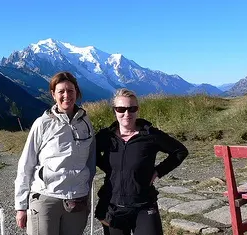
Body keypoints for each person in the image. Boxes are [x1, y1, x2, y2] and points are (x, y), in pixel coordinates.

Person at [95, 88, 188, 235]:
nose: (127, 114)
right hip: (114, 206)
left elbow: (180, 151)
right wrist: (110, 169)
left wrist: (158, 171)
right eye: (121, 109)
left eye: (132, 109)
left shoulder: (150, 135)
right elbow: (90, 153)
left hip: (144, 205)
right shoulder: (106, 137)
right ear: (114, 111)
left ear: (137, 110)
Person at [14, 71, 96, 235]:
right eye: (61, 91)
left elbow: (91, 162)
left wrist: (85, 191)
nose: (67, 95)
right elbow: (26, 164)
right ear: (53, 95)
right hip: (46, 197)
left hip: (77, 199)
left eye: (70, 91)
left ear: (77, 92)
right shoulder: (43, 123)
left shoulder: (86, 123)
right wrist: (21, 206)